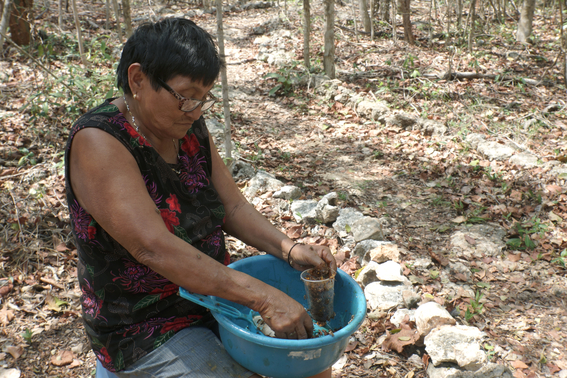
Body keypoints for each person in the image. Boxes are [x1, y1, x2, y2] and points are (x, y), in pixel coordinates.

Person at [65, 18, 337, 378]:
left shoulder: (186, 126)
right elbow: (153, 247)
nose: (194, 110)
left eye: (202, 99)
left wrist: (288, 249)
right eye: (185, 96)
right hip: (144, 323)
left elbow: (233, 206)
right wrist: (265, 297)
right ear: (137, 79)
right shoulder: (99, 142)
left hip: (212, 298)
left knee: (310, 363)